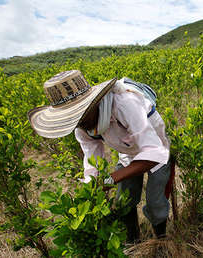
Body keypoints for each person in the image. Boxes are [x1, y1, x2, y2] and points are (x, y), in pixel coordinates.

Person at [28, 70, 171, 243]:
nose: (79, 122)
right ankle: (133, 243)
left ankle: (162, 240)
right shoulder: (82, 128)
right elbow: (92, 163)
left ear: (93, 103)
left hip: (157, 148)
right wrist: (92, 189)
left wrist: (109, 181)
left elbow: (153, 154)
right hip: (128, 153)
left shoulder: (124, 104)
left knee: (156, 203)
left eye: (80, 114)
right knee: (123, 204)